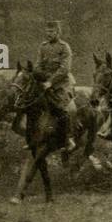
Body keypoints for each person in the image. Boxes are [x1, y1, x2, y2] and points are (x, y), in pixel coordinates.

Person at [35, 20, 77, 152]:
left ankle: (68, 139)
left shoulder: (64, 47)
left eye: (52, 32)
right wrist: (41, 77)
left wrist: (50, 82)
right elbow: (37, 65)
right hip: (45, 82)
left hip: (62, 84)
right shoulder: (43, 46)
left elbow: (64, 69)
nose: (49, 34)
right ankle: (33, 137)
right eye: (47, 31)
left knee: (61, 108)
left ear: (58, 32)